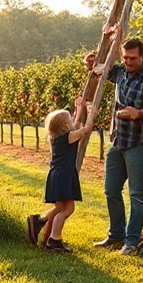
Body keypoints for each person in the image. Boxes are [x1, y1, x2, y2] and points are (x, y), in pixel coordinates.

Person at [86, 26, 143, 255]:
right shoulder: (120, 72)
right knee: (110, 190)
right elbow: (101, 67)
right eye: (125, 57)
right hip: (118, 140)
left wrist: (138, 113)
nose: (128, 61)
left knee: (136, 193)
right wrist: (91, 62)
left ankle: (131, 241)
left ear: (142, 56)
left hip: (138, 142)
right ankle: (115, 234)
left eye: (133, 58)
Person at [26, 97, 97, 252]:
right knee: (67, 209)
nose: (73, 120)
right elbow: (86, 129)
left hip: (55, 174)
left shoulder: (57, 138)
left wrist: (79, 110)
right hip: (65, 175)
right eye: (70, 119)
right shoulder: (70, 136)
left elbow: (76, 125)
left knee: (59, 207)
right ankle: (54, 239)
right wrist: (91, 113)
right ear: (65, 126)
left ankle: (39, 221)